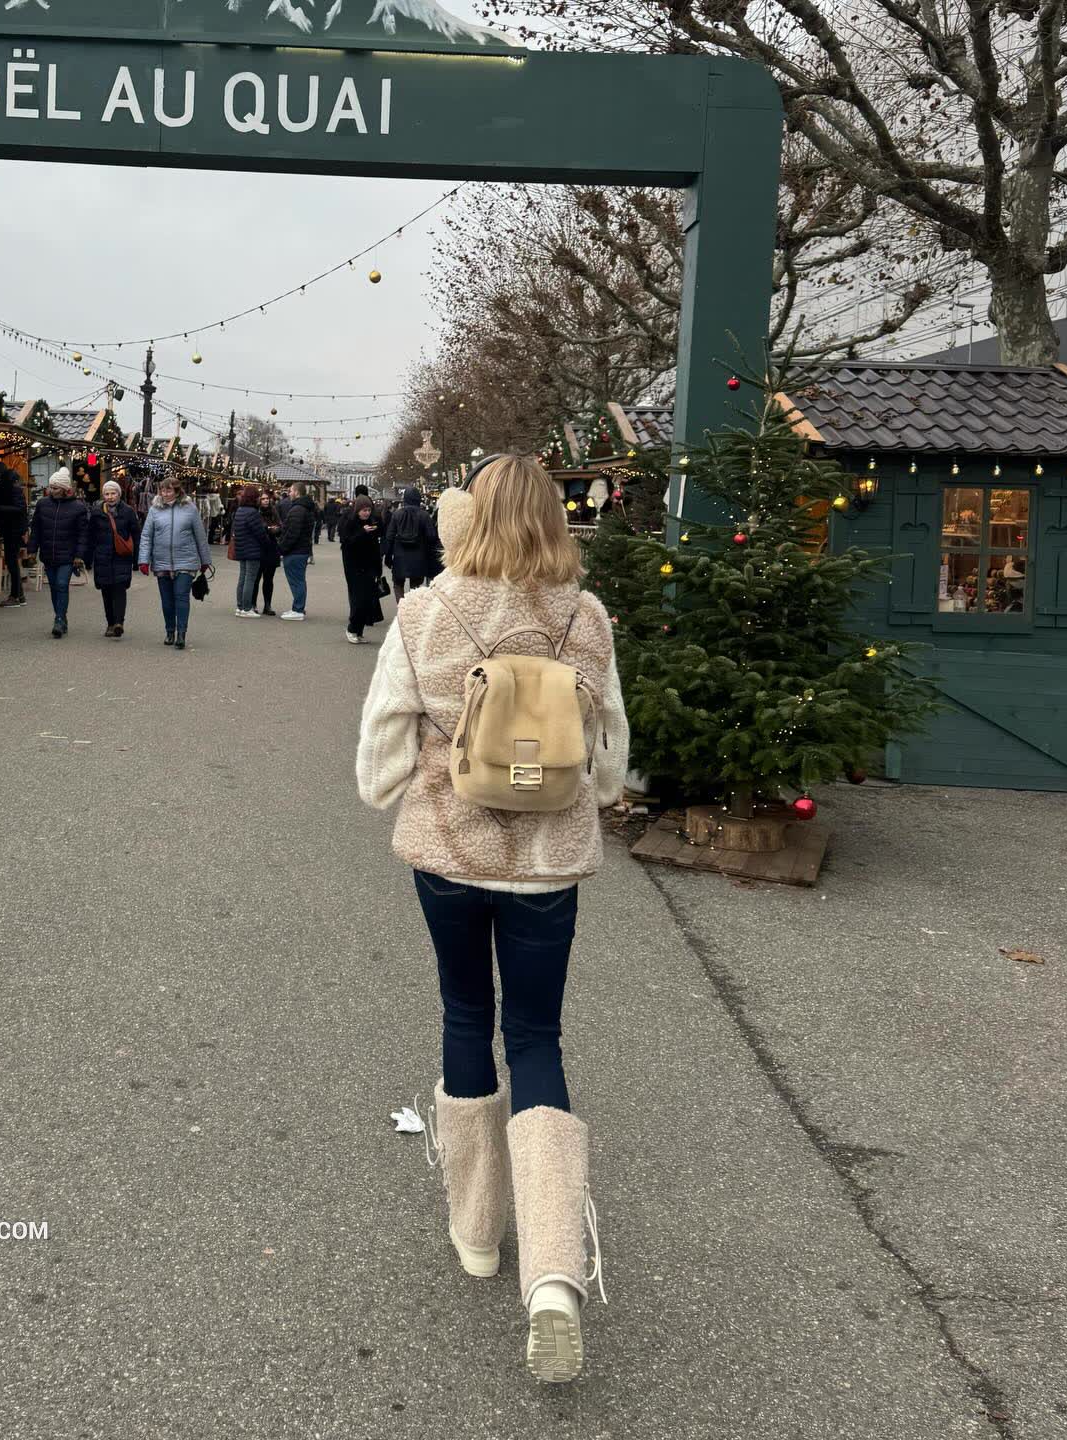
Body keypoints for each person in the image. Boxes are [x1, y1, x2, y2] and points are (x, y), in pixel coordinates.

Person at [355, 455, 630, 1385]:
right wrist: (587, 790)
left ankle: (477, 1231)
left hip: (450, 852)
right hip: (548, 862)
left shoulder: (428, 611)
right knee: (538, 1036)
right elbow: (608, 751)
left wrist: (401, 785)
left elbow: (383, 745)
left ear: (468, 516)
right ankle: (552, 1275)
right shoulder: (584, 617)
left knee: (466, 1015)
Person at [139, 475, 210, 649]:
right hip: (162, 561)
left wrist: (205, 560)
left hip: (186, 560)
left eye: (168, 490)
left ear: (177, 491)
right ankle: (170, 631)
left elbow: (200, 536)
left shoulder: (190, 508)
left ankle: (181, 633)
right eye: (162, 490)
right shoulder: (154, 510)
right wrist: (143, 560)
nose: (165, 493)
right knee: (167, 600)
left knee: (181, 597)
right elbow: (147, 536)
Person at [27, 468, 89, 638]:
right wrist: (32, 551)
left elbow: (82, 534)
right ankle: (61, 616)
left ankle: (59, 619)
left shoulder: (78, 507)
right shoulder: (43, 504)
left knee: (61, 585)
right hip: (48, 553)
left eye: (55, 488)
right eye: (51, 487)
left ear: (64, 489)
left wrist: (79, 555)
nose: (51, 490)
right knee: (54, 587)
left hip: (68, 555)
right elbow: (36, 529)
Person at [85, 479, 142, 639]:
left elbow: (136, 535)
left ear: (119, 494)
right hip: (102, 557)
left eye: (113, 493)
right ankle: (110, 623)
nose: (110, 497)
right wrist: (87, 559)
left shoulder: (128, 511)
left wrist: (137, 560)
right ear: (103, 495)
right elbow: (90, 536)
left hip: (121, 556)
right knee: (106, 592)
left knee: (119, 589)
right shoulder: (97, 512)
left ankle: (118, 623)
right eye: (107, 494)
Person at [383, 485, 440, 602]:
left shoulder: (397, 514)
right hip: (419, 558)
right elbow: (431, 537)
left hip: (399, 558)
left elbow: (389, 537)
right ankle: (412, 608)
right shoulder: (424, 515)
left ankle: (401, 607)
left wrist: (388, 557)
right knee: (415, 587)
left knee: (398, 584)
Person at [342, 495, 385, 644]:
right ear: (357, 510)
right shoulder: (350, 523)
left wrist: (378, 569)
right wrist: (362, 532)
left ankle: (359, 632)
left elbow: (376, 546)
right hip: (354, 568)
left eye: (368, 510)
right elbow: (347, 543)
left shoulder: (373, 522)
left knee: (368, 600)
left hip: (369, 567)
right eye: (364, 510)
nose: (366, 513)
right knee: (358, 600)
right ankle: (352, 629)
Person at [0, 460, 29, 608]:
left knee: (12, 562)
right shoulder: (7, 486)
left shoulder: (9, 488)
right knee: (12, 562)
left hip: (13, 529)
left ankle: (15, 596)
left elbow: (20, 509)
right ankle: (19, 595)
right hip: (12, 529)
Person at [276, 481, 318, 620]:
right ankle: (298, 608)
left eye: (291, 491)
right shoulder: (305, 508)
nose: (289, 493)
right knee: (299, 580)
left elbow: (292, 532)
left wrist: (282, 548)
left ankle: (298, 610)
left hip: (295, 551)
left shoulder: (297, 509)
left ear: (297, 492)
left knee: (296, 581)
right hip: (301, 549)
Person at [231, 483, 271, 618]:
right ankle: (247, 608)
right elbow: (260, 534)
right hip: (253, 549)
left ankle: (240, 606)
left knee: (242, 578)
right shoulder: (253, 513)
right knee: (250, 579)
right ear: (254, 498)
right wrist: (267, 542)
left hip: (241, 548)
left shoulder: (240, 510)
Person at [253, 489, 282, 616]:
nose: (265, 501)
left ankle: (267, 605)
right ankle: (253, 604)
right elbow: (258, 529)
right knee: (256, 579)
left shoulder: (274, 511)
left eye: (267, 498)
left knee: (269, 579)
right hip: (258, 549)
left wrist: (276, 529)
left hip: (271, 548)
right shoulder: (255, 512)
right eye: (263, 499)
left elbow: (280, 526)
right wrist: (268, 528)